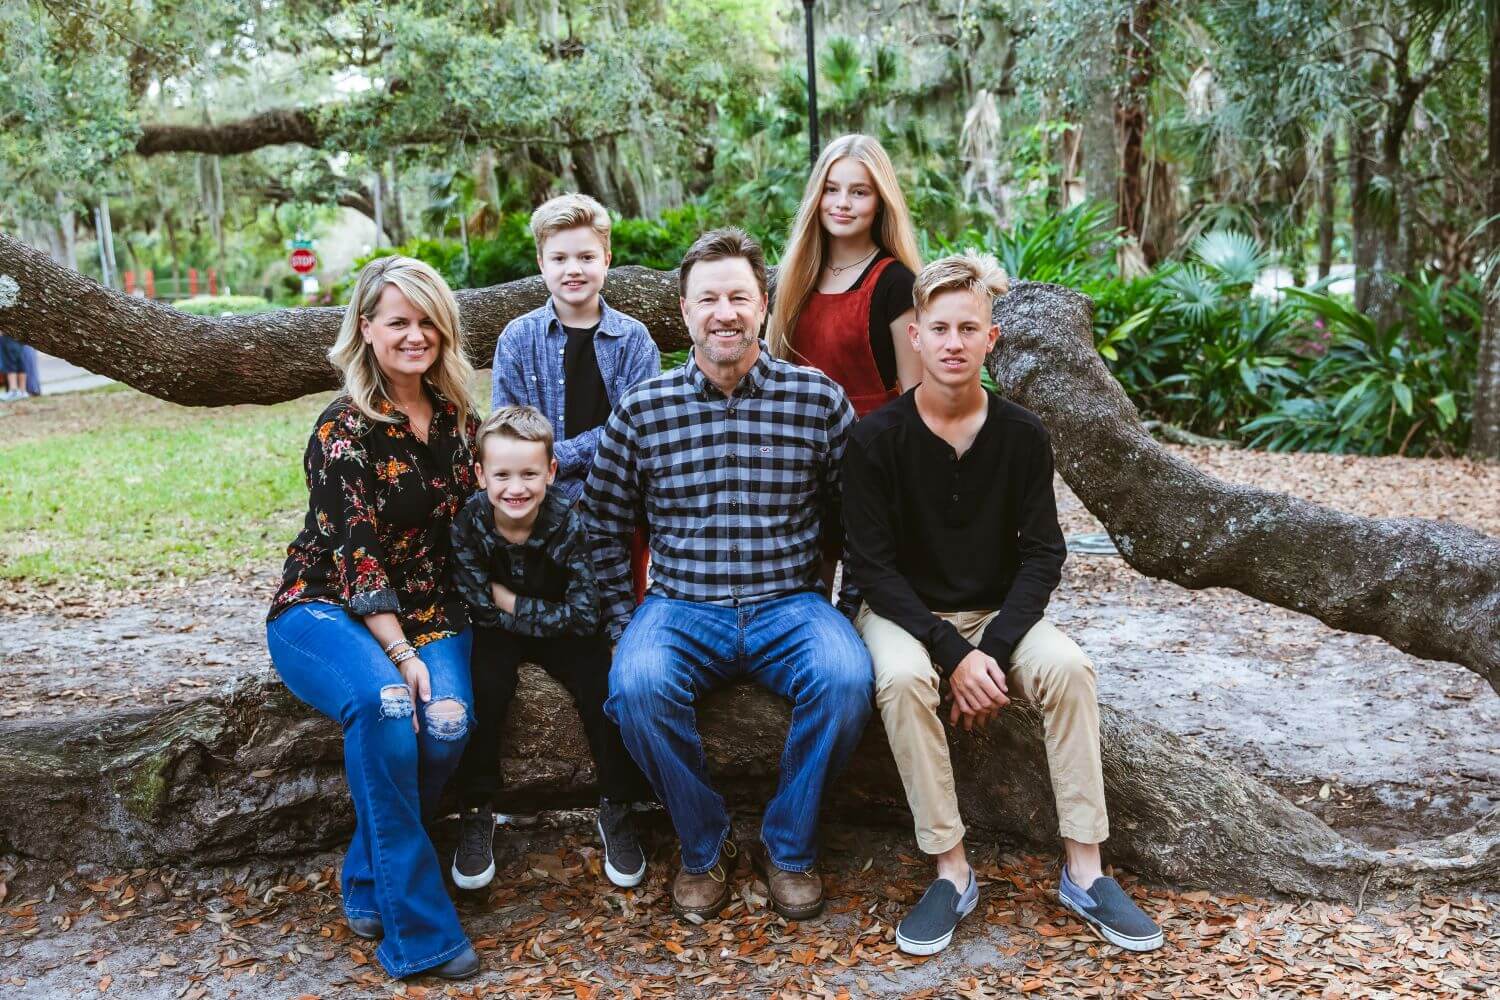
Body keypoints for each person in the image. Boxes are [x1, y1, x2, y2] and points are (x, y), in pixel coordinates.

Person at [842, 252, 1164, 956]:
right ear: (916, 337)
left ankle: (1085, 869)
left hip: (997, 617)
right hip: (902, 615)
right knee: (899, 681)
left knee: (1071, 670)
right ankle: (951, 872)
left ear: (992, 340)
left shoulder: (1022, 433)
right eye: (939, 328)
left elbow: (1044, 552)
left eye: (968, 328)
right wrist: (952, 656)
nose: (953, 343)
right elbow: (871, 566)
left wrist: (988, 652)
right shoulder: (874, 440)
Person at [582, 228, 874, 922]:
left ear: (763, 304)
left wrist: (849, 608)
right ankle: (704, 843)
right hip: (681, 604)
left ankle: (789, 846)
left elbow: (862, 522)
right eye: (708, 298)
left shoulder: (817, 400)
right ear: (683, 312)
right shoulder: (644, 409)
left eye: (739, 296)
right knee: (635, 685)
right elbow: (601, 522)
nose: (725, 313)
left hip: (790, 603)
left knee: (846, 679)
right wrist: (625, 626)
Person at [265, 256, 482, 981]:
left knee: (447, 726)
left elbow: (475, 528)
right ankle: (421, 933)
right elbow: (357, 557)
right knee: (391, 707)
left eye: (427, 321)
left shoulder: (456, 419)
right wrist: (400, 654)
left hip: (432, 609)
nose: (415, 335)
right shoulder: (341, 429)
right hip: (325, 610)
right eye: (398, 321)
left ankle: (364, 881)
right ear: (366, 328)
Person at [446, 404, 651, 892]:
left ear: (551, 472)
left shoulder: (566, 523)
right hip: (500, 631)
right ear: (479, 475)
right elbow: (478, 607)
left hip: (567, 632)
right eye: (501, 474)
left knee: (604, 687)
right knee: (485, 687)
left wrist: (512, 600)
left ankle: (617, 805)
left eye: (529, 474)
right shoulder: (468, 525)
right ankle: (476, 810)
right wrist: (510, 610)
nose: (515, 488)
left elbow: (584, 615)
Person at [491, 193, 660, 600]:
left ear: (607, 259)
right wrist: (546, 478)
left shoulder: (633, 341)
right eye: (560, 259)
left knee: (614, 618)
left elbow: (634, 435)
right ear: (541, 265)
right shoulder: (518, 339)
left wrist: (558, 458)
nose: (573, 270)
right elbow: (507, 437)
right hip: (536, 508)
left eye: (586, 257)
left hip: (616, 509)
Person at [767, 133, 924, 417]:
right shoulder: (789, 281)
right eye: (831, 189)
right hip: (795, 446)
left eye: (859, 192)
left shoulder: (897, 284)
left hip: (870, 450)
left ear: (880, 202)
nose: (842, 203)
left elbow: (916, 398)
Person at [0, 334, 26, 401]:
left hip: (7, 335)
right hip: (18, 335)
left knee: (9, 362)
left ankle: (13, 391)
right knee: (20, 362)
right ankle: (22, 391)